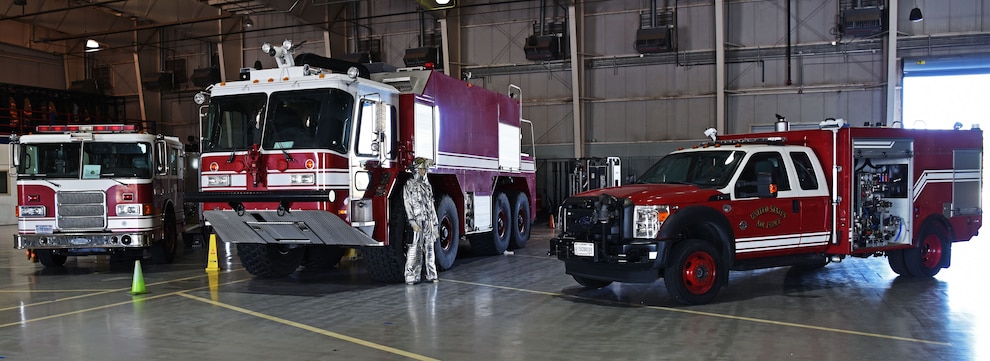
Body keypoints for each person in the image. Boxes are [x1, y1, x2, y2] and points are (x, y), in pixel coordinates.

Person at [403, 157, 439, 285]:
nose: (424, 171)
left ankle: (431, 275)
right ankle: (412, 276)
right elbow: (408, 204)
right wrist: (412, 222)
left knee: (430, 249)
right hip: (417, 222)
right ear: (416, 170)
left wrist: (435, 225)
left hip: (428, 221)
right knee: (414, 249)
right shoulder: (409, 185)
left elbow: (431, 206)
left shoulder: (427, 186)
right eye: (421, 169)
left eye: (425, 169)